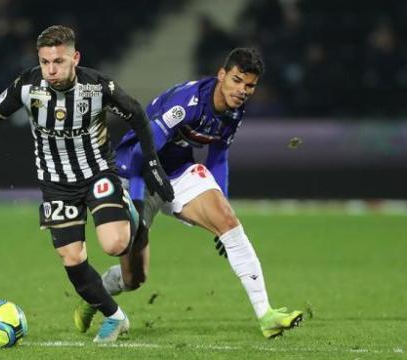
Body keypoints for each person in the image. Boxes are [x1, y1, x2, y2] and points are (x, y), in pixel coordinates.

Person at [74, 48, 303, 339]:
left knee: (229, 224)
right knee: (135, 278)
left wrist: (223, 212)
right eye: (236, 81)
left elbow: (218, 157)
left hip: (177, 173)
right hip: (134, 174)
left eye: (250, 85)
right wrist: (140, 201)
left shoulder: (234, 110)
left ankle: (266, 315)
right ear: (222, 75)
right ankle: (96, 294)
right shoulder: (188, 102)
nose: (242, 90)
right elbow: (142, 154)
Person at [0, 25, 174, 342]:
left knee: (115, 245)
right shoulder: (27, 85)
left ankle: (132, 209)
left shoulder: (96, 87)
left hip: (97, 174)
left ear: (74, 57)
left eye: (58, 61)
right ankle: (115, 317)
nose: (51, 70)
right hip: (56, 184)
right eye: (45, 62)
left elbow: (136, 113)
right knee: (72, 257)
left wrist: (151, 162)